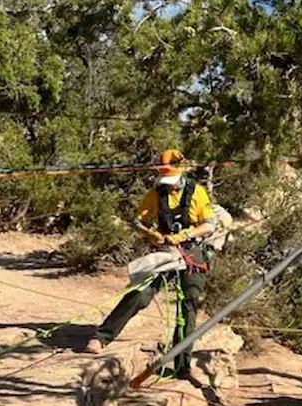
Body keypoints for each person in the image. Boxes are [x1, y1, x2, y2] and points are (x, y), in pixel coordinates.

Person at [85, 149, 217, 375]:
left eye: (173, 182)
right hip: (165, 251)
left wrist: (185, 235)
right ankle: (102, 337)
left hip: (192, 252)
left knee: (189, 302)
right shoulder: (156, 194)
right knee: (140, 293)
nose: (170, 186)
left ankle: (181, 364)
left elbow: (210, 225)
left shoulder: (198, 193)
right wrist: (150, 234)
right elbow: (138, 221)